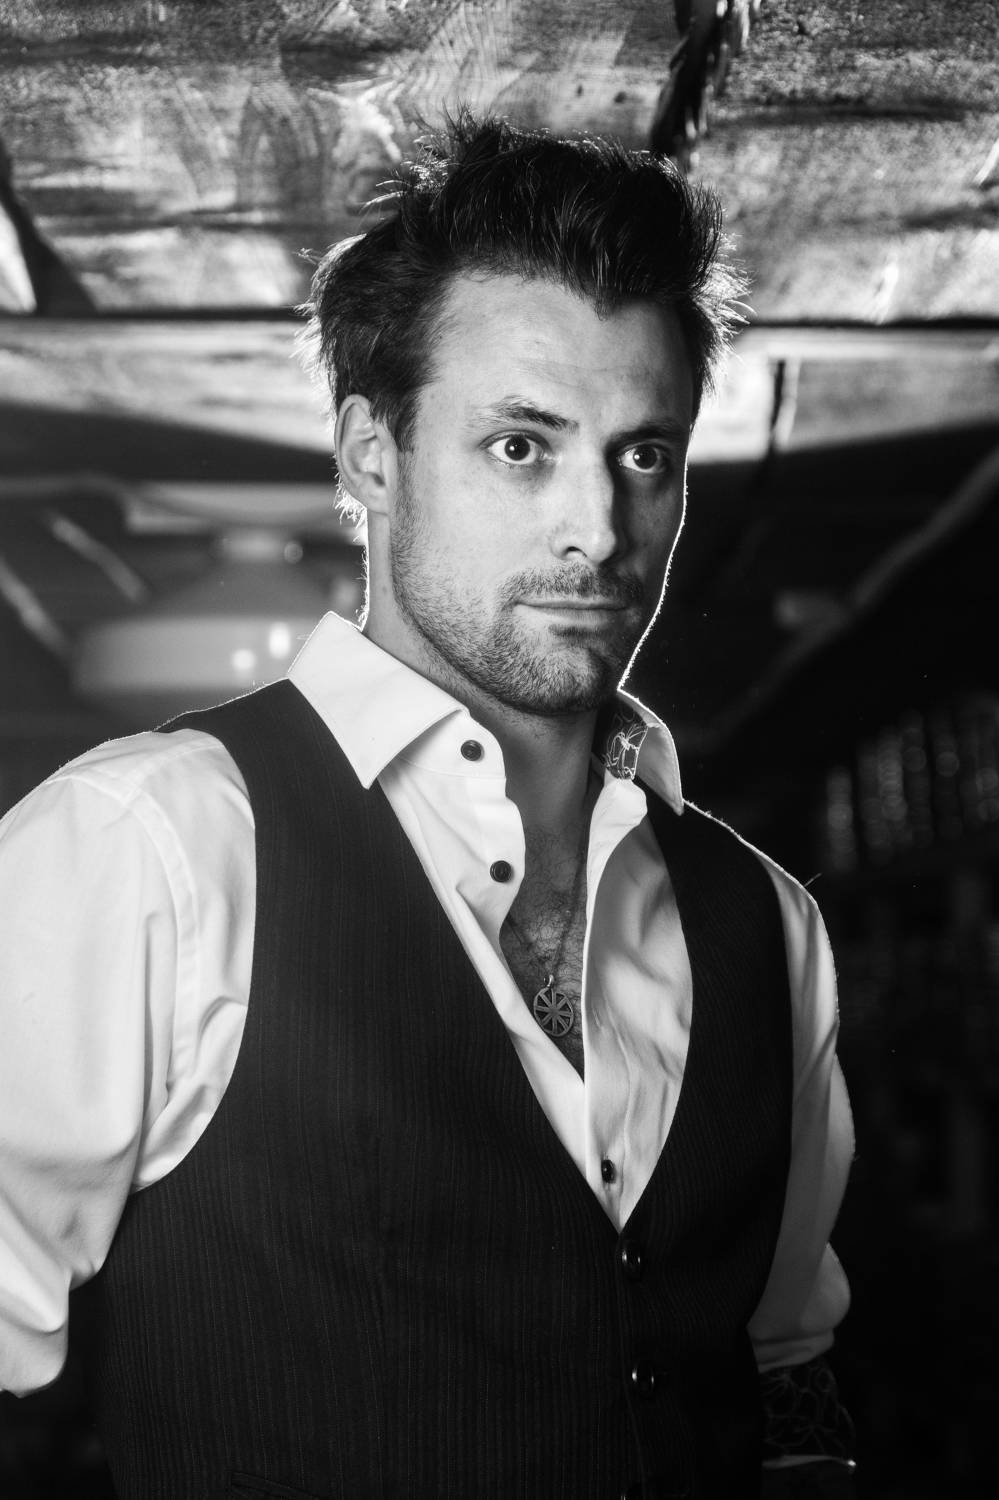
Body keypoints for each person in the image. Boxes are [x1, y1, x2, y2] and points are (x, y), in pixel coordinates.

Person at [0, 114, 856, 1499]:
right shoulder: (150, 849)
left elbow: (786, 1365)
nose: (597, 528)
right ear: (372, 454)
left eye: (644, 454)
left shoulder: (768, 920)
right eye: (521, 446)